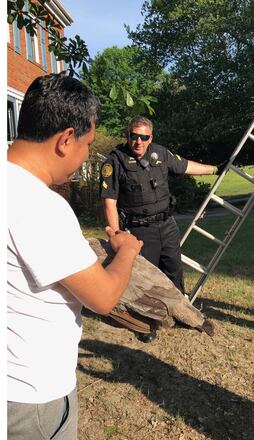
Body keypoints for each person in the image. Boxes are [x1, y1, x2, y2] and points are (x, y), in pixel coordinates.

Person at [7, 74, 143, 440]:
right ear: (66, 139)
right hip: (33, 400)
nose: (86, 155)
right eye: (87, 144)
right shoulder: (39, 205)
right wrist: (128, 251)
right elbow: (103, 297)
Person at [99, 116, 220, 342]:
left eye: (144, 137)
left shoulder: (161, 154)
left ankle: (178, 315)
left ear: (150, 137)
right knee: (147, 278)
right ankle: (147, 324)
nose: (138, 142)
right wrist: (116, 235)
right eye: (134, 136)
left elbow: (184, 166)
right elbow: (109, 202)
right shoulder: (114, 162)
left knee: (174, 269)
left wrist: (215, 169)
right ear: (128, 136)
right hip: (139, 231)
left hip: (167, 225)